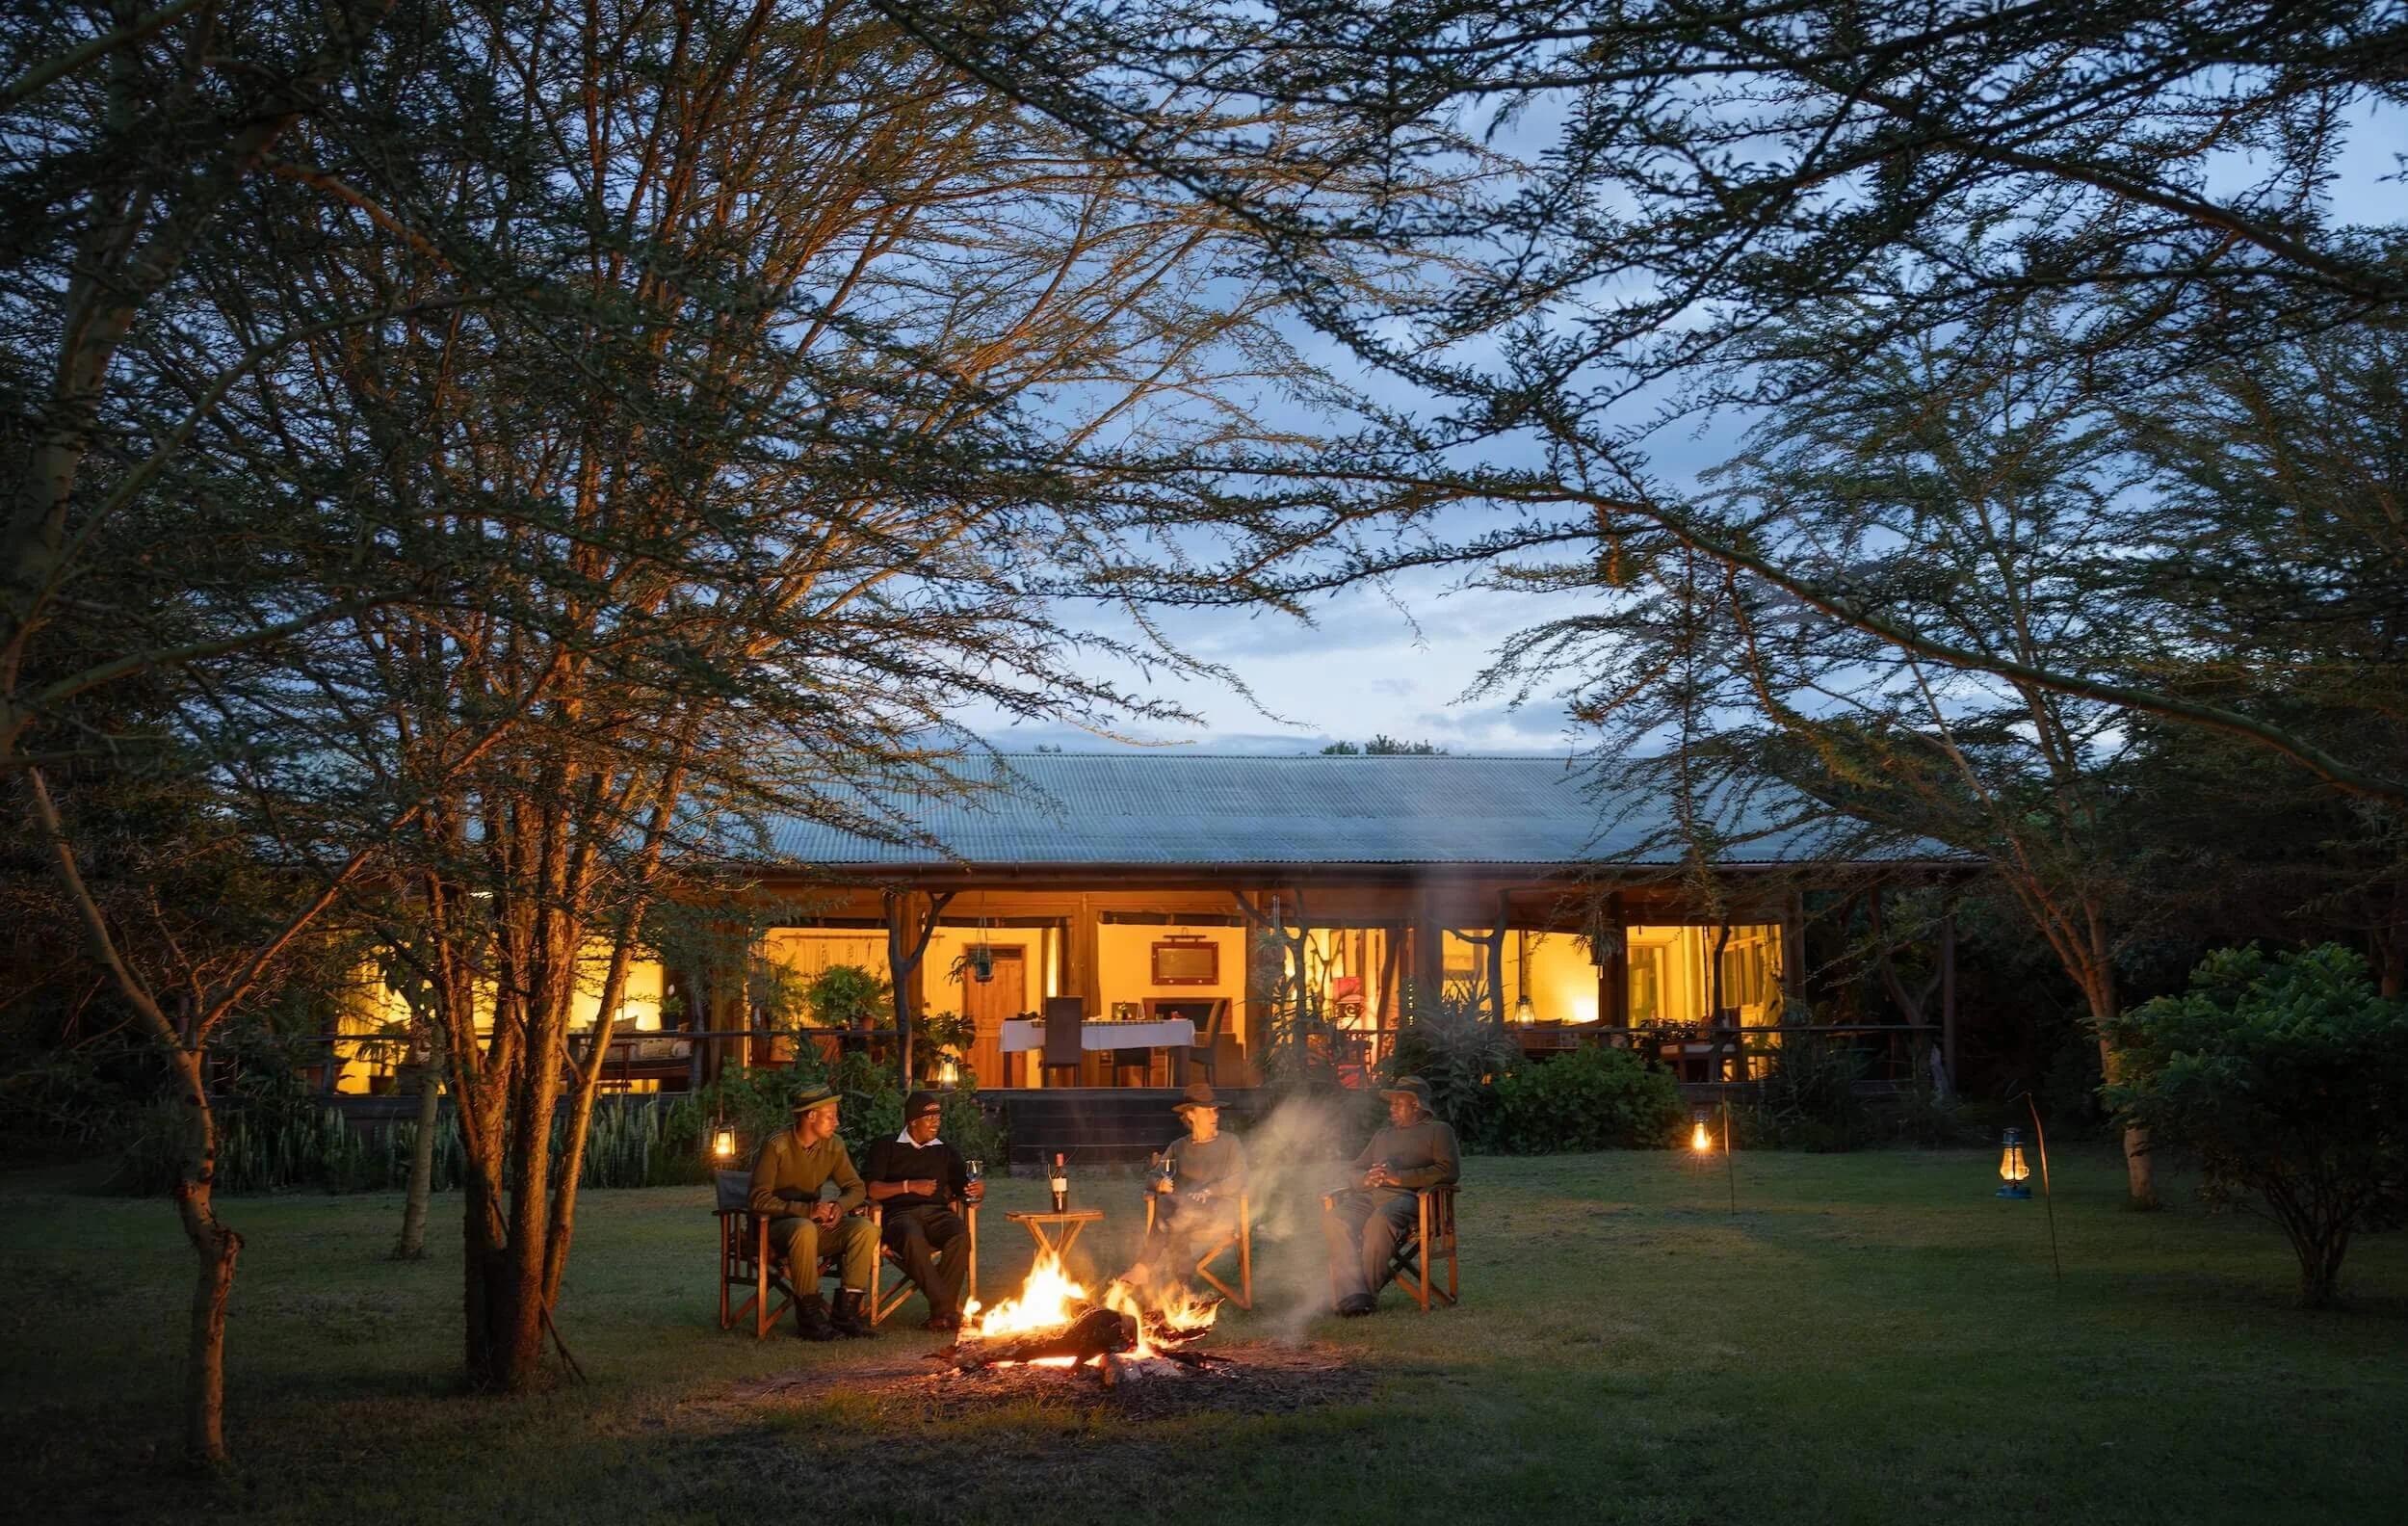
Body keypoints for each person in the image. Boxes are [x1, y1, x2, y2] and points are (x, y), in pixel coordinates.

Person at [747, 1082, 879, 1340]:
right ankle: (810, 1321)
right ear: (810, 1116)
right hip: (776, 1227)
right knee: (804, 1227)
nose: (837, 1122)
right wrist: (806, 1210)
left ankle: (846, 1317)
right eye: (830, 1116)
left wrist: (839, 1207)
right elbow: (757, 1199)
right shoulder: (777, 1145)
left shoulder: (834, 1146)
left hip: (813, 1226)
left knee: (865, 1229)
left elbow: (856, 1188)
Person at [1322, 1075, 1458, 1317]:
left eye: (1398, 1103)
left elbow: (1448, 1171)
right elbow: (1355, 1167)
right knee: (1335, 1219)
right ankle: (1354, 1295)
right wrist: (1364, 1179)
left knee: (1380, 1221)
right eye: (1391, 1103)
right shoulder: (1383, 1135)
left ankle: (1362, 1296)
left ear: (1416, 1105)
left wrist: (1401, 1178)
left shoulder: (1438, 1131)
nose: (1391, 1108)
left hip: (1409, 1198)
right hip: (1369, 1197)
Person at [863, 1090, 983, 1331]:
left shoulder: (944, 1150)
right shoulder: (886, 1146)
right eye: (930, 1118)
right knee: (911, 1236)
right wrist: (909, 1186)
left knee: (959, 1235)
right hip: (899, 1216)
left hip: (937, 1214)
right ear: (912, 1121)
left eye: (938, 1118)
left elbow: (964, 1186)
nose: (936, 1123)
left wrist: (978, 1190)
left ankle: (941, 1314)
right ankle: (946, 1311)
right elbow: (871, 1189)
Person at [1124, 1081, 1246, 1298]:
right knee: (1175, 1219)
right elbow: (1153, 1176)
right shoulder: (1178, 1147)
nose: (1215, 1116)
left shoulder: (1230, 1143)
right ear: (1191, 1115)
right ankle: (1187, 1288)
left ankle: (1143, 1267)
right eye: (1208, 1111)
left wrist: (1212, 1190)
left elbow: (1241, 1178)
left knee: (1172, 1211)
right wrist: (1159, 1184)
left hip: (1218, 1213)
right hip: (1183, 1215)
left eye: (1215, 1110)